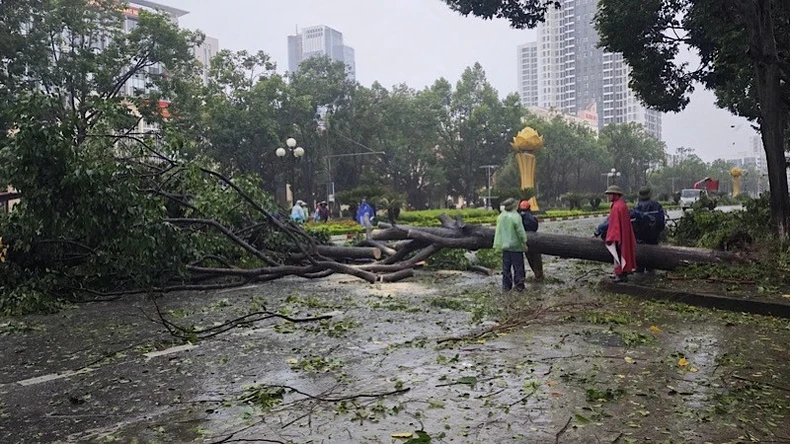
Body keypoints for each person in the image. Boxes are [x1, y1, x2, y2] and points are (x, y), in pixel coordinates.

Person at [603, 185, 637, 282]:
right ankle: (624, 273)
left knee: (617, 255)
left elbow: (614, 224)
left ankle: (619, 274)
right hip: (623, 235)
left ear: (615, 195)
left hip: (618, 236)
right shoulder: (622, 205)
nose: (608, 196)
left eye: (610, 194)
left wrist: (611, 237)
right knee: (624, 254)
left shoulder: (617, 206)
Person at [494, 198, 529, 291]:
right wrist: (524, 242)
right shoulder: (516, 216)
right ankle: (519, 286)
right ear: (514, 205)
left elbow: (499, 232)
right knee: (518, 268)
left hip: (505, 246)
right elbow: (520, 231)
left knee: (506, 268)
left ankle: (506, 287)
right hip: (516, 246)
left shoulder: (501, 216)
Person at [518, 199, 544, 280]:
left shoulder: (518, 216)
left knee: (530, 258)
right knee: (537, 259)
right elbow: (535, 227)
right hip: (534, 239)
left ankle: (535, 273)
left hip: (524, 240)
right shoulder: (531, 217)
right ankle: (539, 274)